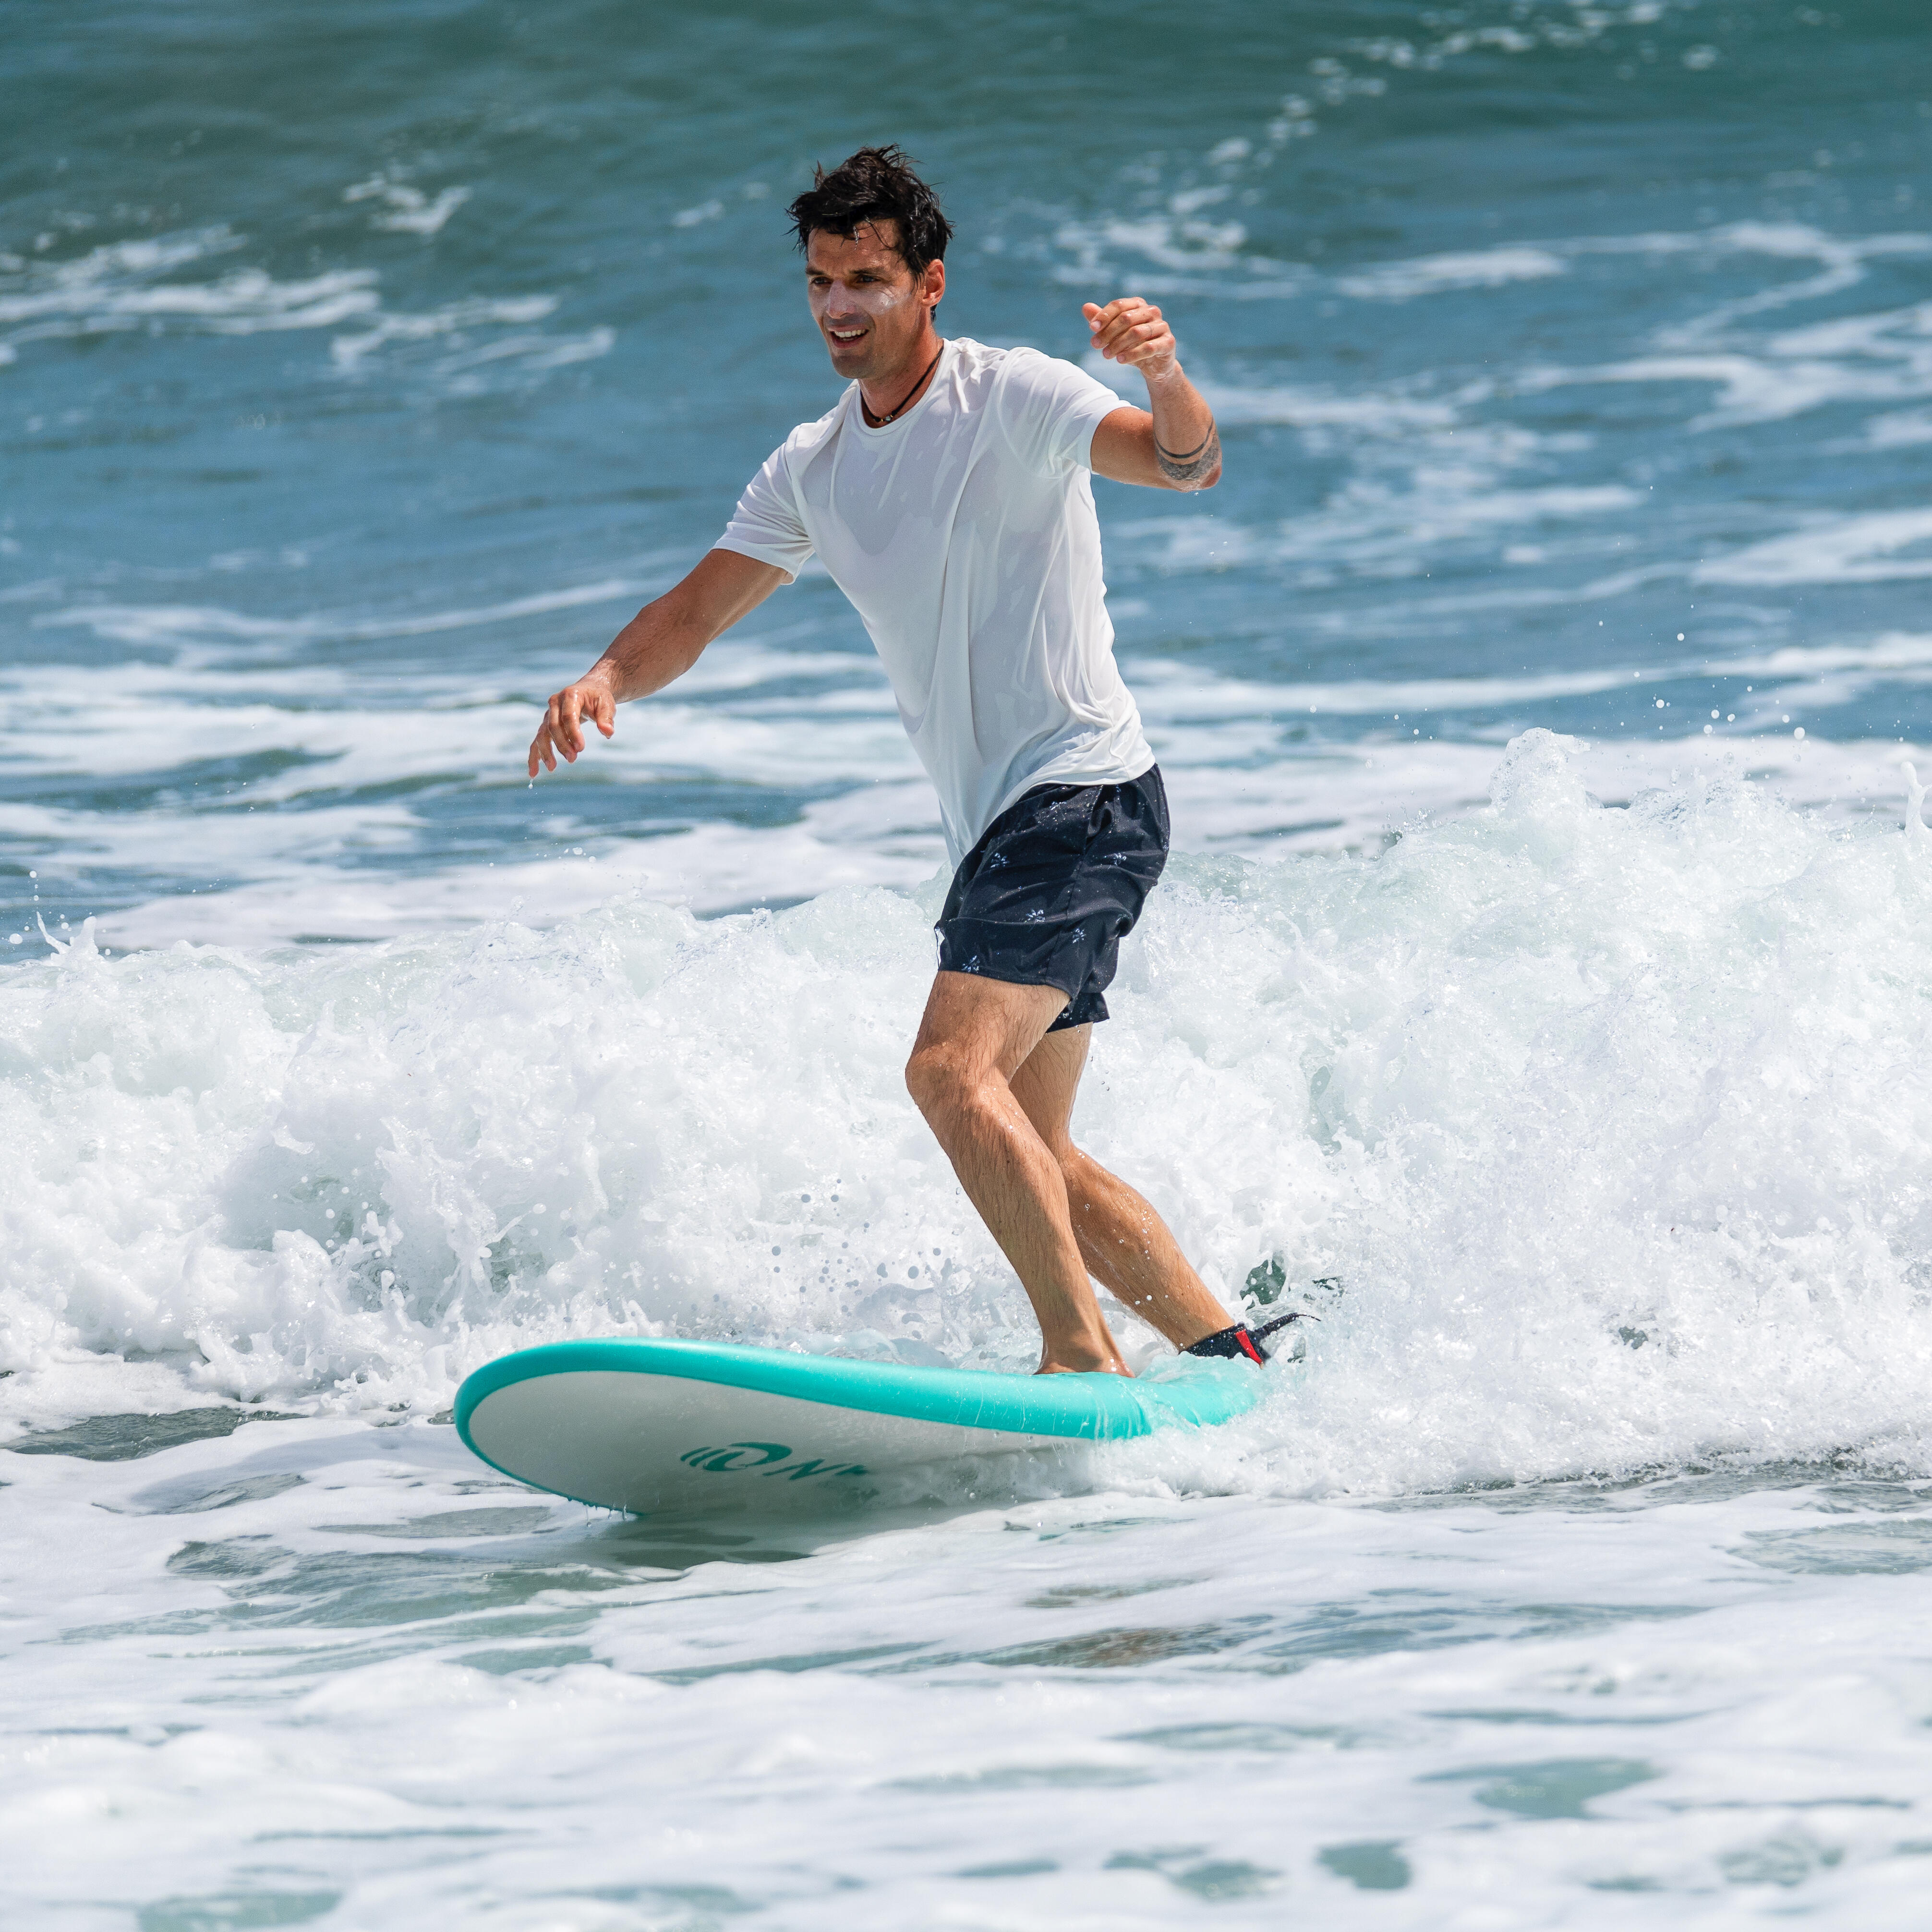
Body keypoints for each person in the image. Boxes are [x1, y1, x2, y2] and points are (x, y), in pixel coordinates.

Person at [529, 145, 1283, 1375]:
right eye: (822, 281)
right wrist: (608, 676)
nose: (838, 308)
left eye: (867, 279)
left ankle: (1078, 1355)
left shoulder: (1016, 398)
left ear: (928, 284)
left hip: (1082, 794)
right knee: (1038, 1147)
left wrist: (1163, 373)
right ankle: (1227, 1360)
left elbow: (1184, 462)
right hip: (999, 831)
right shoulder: (815, 466)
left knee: (943, 1073)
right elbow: (698, 609)